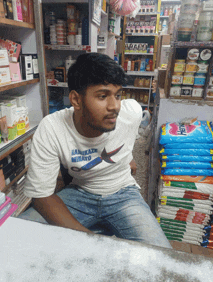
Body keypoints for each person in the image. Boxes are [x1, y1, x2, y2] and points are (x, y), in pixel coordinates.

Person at [22, 53, 171, 249]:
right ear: (76, 100)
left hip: (124, 193)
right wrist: (91, 241)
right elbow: (41, 196)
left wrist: (128, 158)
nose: (114, 106)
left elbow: (128, 137)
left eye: (117, 95)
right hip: (79, 193)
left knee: (161, 256)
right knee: (20, 233)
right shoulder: (52, 128)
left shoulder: (132, 112)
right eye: (102, 96)